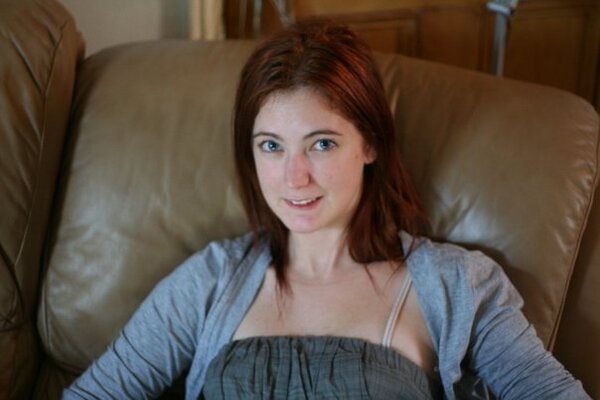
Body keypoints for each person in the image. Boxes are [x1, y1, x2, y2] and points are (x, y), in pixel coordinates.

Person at [64, 20, 590, 400]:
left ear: (371, 145)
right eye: (271, 146)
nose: (295, 178)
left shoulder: (457, 285)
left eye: (321, 144)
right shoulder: (209, 282)